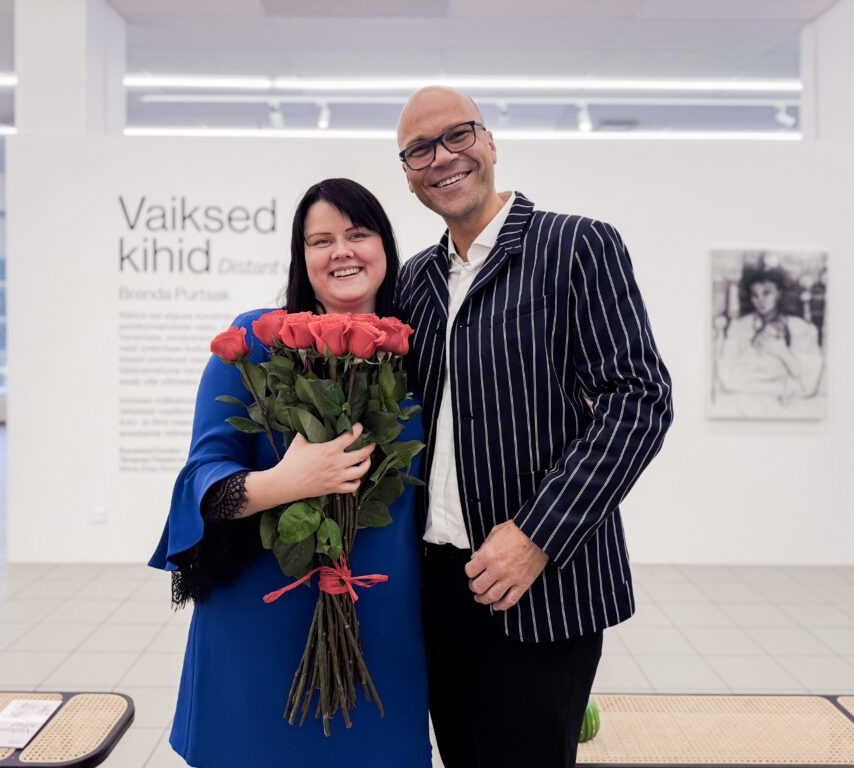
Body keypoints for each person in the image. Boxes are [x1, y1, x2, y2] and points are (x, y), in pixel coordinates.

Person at [395, 87, 673, 768]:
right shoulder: (415, 280)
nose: (442, 158)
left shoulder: (576, 246)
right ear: (407, 174)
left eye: (458, 135)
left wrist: (536, 535)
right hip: (437, 589)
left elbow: (639, 400)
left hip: (544, 585)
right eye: (419, 150)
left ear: (490, 142)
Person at [148, 178, 430, 767]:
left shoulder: (417, 353)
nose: (341, 251)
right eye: (320, 240)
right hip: (260, 617)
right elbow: (202, 481)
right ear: (302, 256)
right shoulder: (257, 342)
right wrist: (288, 482)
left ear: (385, 245)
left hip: (382, 616)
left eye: (358, 234)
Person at [715, 267, 824, 406]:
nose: (760, 300)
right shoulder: (739, 327)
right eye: (755, 295)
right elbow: (728, 380)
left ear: (779, 293)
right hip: (745, 402)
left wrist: (781, 352)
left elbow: (809, 385)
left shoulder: (802, 328)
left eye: (766, 293)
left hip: (789, 405)